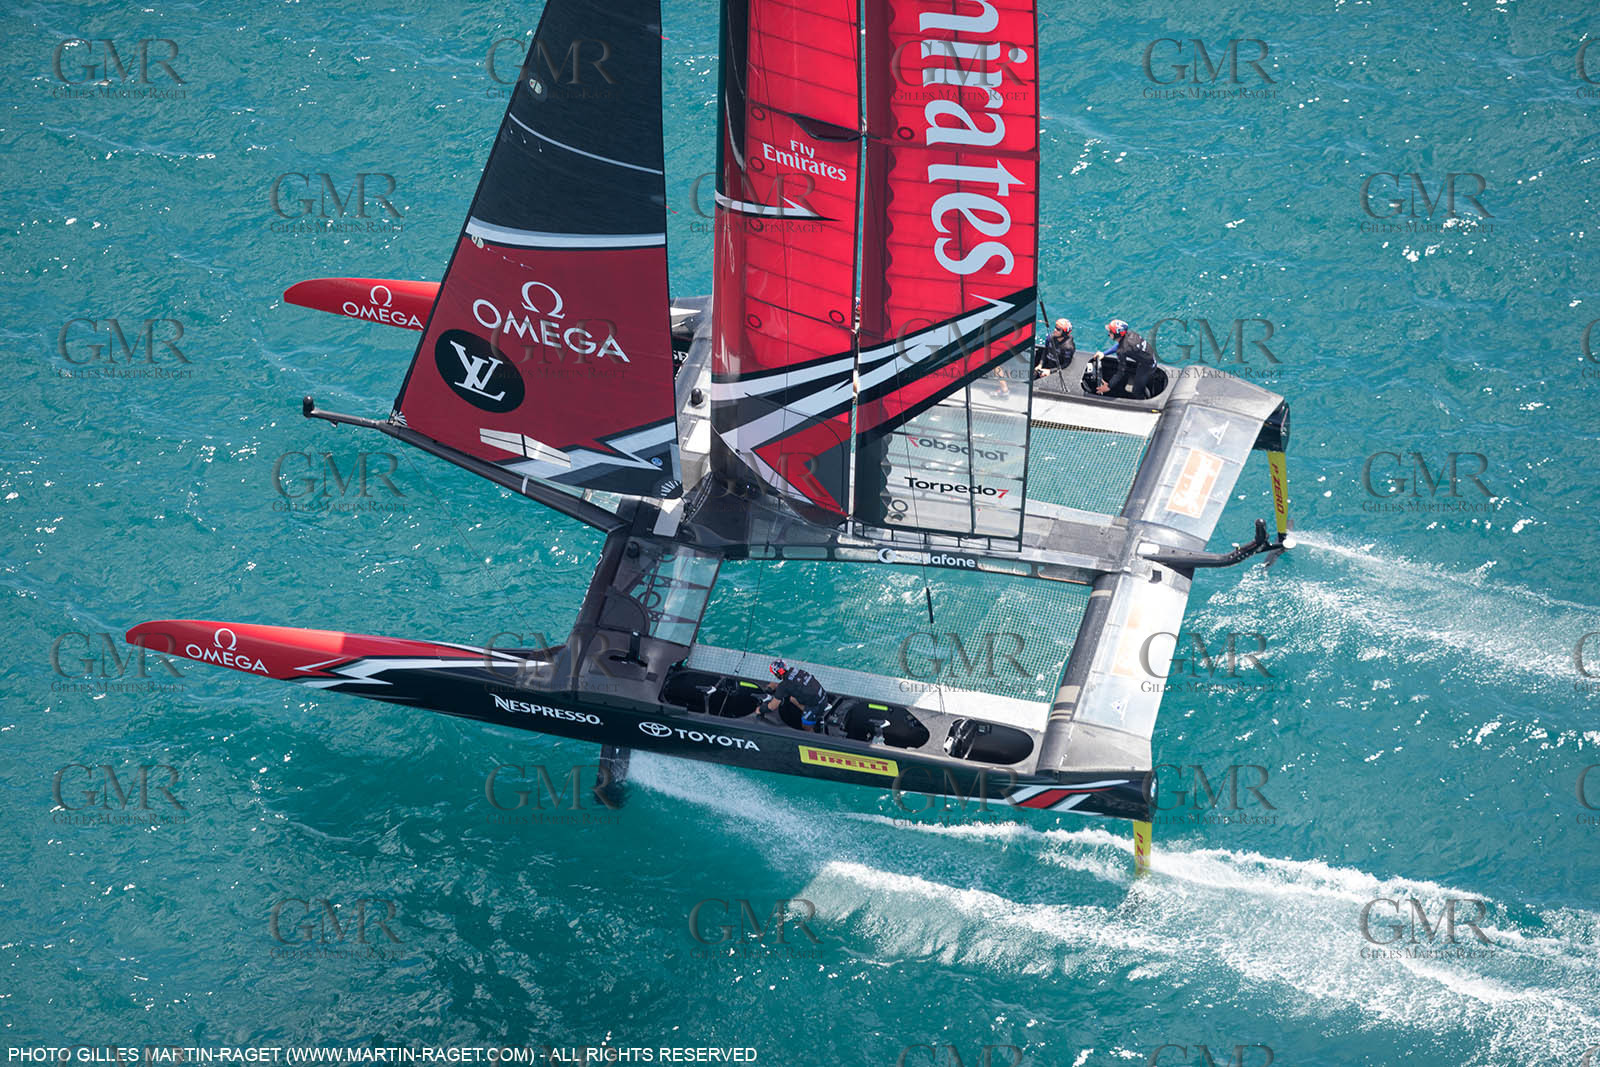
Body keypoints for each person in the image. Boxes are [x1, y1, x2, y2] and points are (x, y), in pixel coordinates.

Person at [1095, 319, 1158, 399]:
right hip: (1150, 359)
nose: (1109, 334)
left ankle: (1142, 402)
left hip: (1147, 367)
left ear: (1116, 335)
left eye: (1110, 332)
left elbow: (1121, 371)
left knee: (1136, 391)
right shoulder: (1129, 334)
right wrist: (1104, 353)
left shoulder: (1122, 350)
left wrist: (1109, 386)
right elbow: (1121, 345)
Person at [760, 659, 828, 732]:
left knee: (805, 727)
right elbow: (792, 682)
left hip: (816, 706)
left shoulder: (783, 686)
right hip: (823, 696)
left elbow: (772, 707)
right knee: (792, 699)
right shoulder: (797, 671)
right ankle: (811, 713)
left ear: (776, 674)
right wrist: (775, 686)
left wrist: (760, 710)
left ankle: (814, 731)